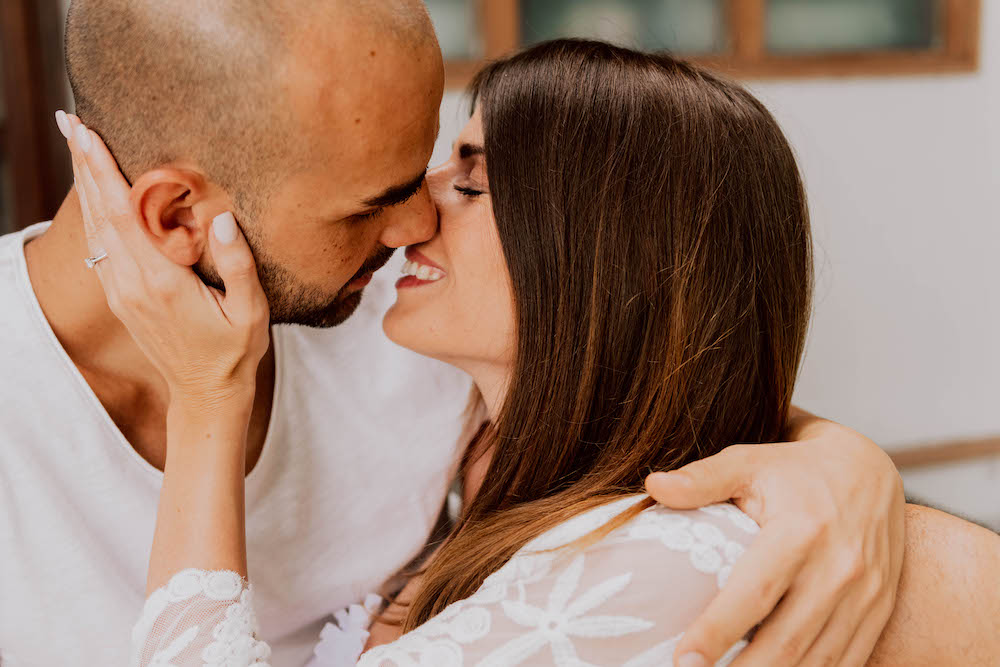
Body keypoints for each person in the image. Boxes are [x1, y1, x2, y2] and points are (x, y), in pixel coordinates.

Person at [0, 1, 905, 665]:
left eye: (439, 171)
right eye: (373, 202)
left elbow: (644, 372)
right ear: (174, 215)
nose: (412, 227)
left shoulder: (407, 318)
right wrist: (213, 400)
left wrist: (841, 460)